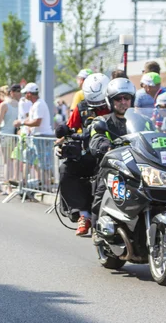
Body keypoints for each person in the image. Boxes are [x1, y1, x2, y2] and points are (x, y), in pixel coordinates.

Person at [58, 73, 111, 236]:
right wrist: (60, 144)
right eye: (94, 104)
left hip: (114, 154)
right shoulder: (81, 107)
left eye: (101, 103)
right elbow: (69, 128)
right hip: (89, 154)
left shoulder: (116, 105)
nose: (98, 108)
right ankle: (83, 214)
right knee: (66, 169)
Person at [89, 78, 137, 227]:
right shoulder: (102, 121)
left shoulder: (142, 120)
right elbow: (95, 138)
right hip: (113, 169)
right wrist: (103, 145)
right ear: (111, 101)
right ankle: (98, 227)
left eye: (127, 98)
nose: (123, 102)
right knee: (103, 190)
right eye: (118, 98)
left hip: (138, 168)